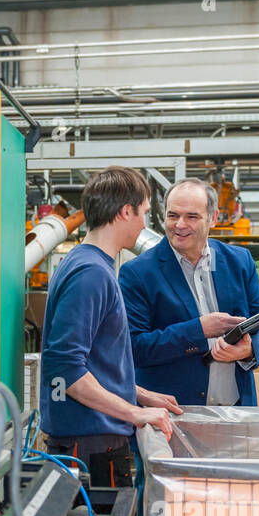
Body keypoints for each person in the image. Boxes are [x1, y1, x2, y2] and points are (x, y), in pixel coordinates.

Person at [39, 166, 180, 489]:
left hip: (90, 440)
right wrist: (134, 412)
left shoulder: (86, 263)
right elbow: (66, 371)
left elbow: (95, 366)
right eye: (144, 212)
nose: (145, 223)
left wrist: (140, 394)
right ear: (125, 211)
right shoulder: (91, 273)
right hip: (89, 447)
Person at [117, 178, 259, 406]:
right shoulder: (137, 273)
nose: (180, 225)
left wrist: (250, 349)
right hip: (173, 414)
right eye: (173, 216)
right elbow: (133, 348)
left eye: (192, 216)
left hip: (237, 412)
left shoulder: (239, 262)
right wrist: (199, 330)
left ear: (213, 218)